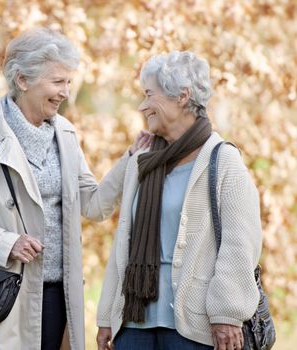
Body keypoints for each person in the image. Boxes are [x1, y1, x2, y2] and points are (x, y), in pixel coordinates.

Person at [0, 27, 127, 350]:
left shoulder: (65, 134)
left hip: (58, 299)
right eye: (57, 82)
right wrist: (6, 244)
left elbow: (93, 205)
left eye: (68, 82)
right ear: (22, 80)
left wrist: (132, 159)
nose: (65, 92)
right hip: (1, 296)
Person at [96, 51, 263, 350]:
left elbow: (241, 244)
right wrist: (107, 314)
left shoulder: (223, 160)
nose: (142, 105)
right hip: (134, 325)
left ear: (183, 96)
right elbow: (123, 242)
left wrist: (227, 312)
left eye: (149, 94)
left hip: (194, 328)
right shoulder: (144, 161)